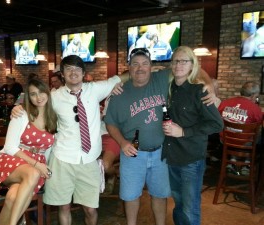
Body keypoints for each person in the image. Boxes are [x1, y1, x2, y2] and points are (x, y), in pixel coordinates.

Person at [11, 55, 129, 225]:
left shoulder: (95, 89)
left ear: (83, 73)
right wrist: (18, 107)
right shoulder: (54, 96)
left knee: (90, 209)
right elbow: (34, 102)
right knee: (63, 207)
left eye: (77, 69)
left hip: (89, 160)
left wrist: (148, 71)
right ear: (63, 75)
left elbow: (120, 77)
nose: (73, 72)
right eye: (68, 69)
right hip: (62, 159)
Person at [104, 47, 215, 225]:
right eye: (135, 64)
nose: (140, 68)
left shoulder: (162, 78)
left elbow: (194, 68)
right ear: (129, 67)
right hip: (133, 154)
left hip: (162, 153)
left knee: (160, 194)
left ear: (151, 66)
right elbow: (110, 122)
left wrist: (209, 85)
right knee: (131, 196)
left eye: (145, 64)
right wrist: (122, 142)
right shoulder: (119, 93)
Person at [0, 78, 57, 225]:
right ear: (28, 97)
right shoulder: (21, 114)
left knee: (12, 197)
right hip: (12, 159)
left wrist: (43, 167)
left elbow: (49, 150)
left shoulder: (54, 118)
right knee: (33, 173)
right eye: (33, 94)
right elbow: (9, 147)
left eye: (41, 92)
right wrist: (37, 164)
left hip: (35, 165)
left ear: (48, 93)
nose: (38, 97)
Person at [161, 46, 223, 225]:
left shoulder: (199, 91)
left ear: (192, 65)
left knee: (190, 207)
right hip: (171, 157)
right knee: (178, 203)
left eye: (184, 61)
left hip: (191, 160)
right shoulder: (168, 88)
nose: (179, 64)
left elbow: (216, 124)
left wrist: (183, 132)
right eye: (176, 61)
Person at [218, 81, 263, 175]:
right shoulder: (255, 109)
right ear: (253, 95)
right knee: (257, 135)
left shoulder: (224, 103)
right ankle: (247, 164)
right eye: (256, 96)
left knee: (242, 134)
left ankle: (232, 161)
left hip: (225, 140)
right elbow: (260, 123)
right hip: (244, 143)